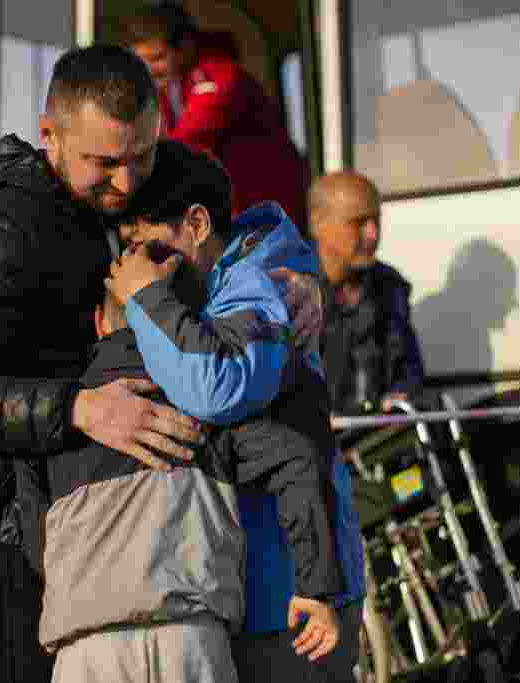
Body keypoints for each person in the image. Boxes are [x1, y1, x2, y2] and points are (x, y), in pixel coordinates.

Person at [0, 45, 324, 683]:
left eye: (143, 156)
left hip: (179, 545)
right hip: (32, 546)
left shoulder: (178, 178)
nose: (128, 184)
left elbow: (229, 241)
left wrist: (287, 280)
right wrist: (79, 408)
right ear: (50, 137)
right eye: (103, 163)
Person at [41, 150, 340, 683]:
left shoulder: (250, 294)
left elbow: (215, 387)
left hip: (262, 601)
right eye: (129, 255)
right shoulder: (125, 391)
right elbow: (290, 454)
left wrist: (145, 298)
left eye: (148, 249)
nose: (139, 266)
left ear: (197, 224)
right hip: (226, 611)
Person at [121, 2, 309, 229]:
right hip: (233, 213)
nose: (149, 68)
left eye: (157, 58)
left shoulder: (223, 77)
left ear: (186, 48)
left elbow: (190, 138)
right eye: (142, 60)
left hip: (267, 213)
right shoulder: (169, 86)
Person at [310, 171, 425, 415]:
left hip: (375, 437)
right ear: (318, 223)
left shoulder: (389, 286)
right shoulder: (282, 292)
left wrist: (400, 394)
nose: (373, 234)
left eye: (376, 221)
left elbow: (408, 368)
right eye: (359, 222)